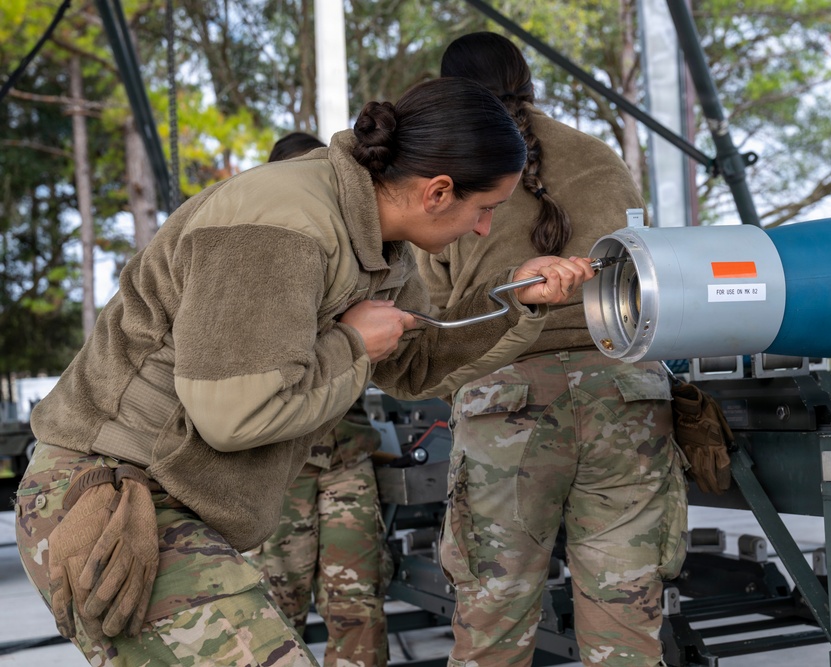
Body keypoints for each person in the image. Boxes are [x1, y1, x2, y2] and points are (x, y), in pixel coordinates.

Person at [14, 76, 596, 666]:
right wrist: (353, 344)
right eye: (486, 209)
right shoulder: (280, 225)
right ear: (438, 191)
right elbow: (234, 414)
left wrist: (518, 298)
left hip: (179, 497)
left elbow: (415, 362)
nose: (484, 230)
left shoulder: (380, 245)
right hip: (107, 494)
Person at [415, 33, 688, 667]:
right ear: (527, 80)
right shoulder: (599, 156)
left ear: (452, 92)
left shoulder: (448, 178)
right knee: (625, 623)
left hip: (507, 398)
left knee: (492, 620)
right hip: (626, 391)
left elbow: (441, 318)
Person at [250, 131, 394, 667]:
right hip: (279, 468)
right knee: (271, 615)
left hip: (345, 461)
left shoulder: (352, 259)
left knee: (359, 609)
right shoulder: (260, 259)